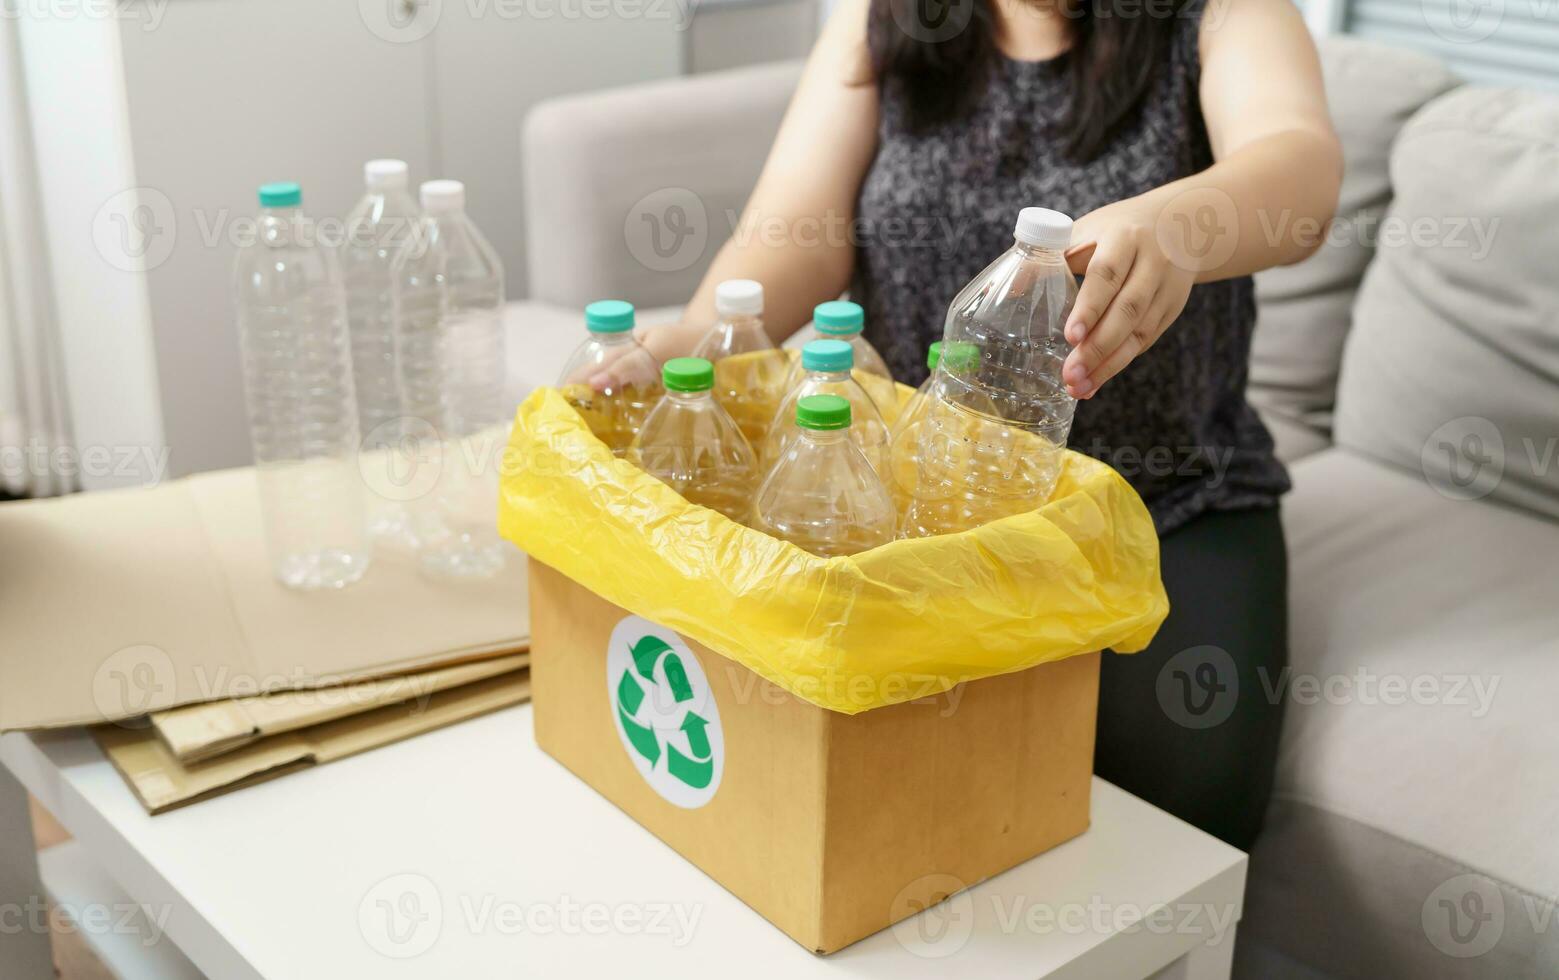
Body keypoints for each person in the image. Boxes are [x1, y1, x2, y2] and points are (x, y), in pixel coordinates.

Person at [595, 0, 1341, 850]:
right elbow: (800, 231)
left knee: (1175, 830)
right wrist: (696, 340)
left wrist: (1177, 222)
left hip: (1164, 503)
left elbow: (1301, 174)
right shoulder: (881, 19)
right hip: (919, 505)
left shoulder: (1221, 15)